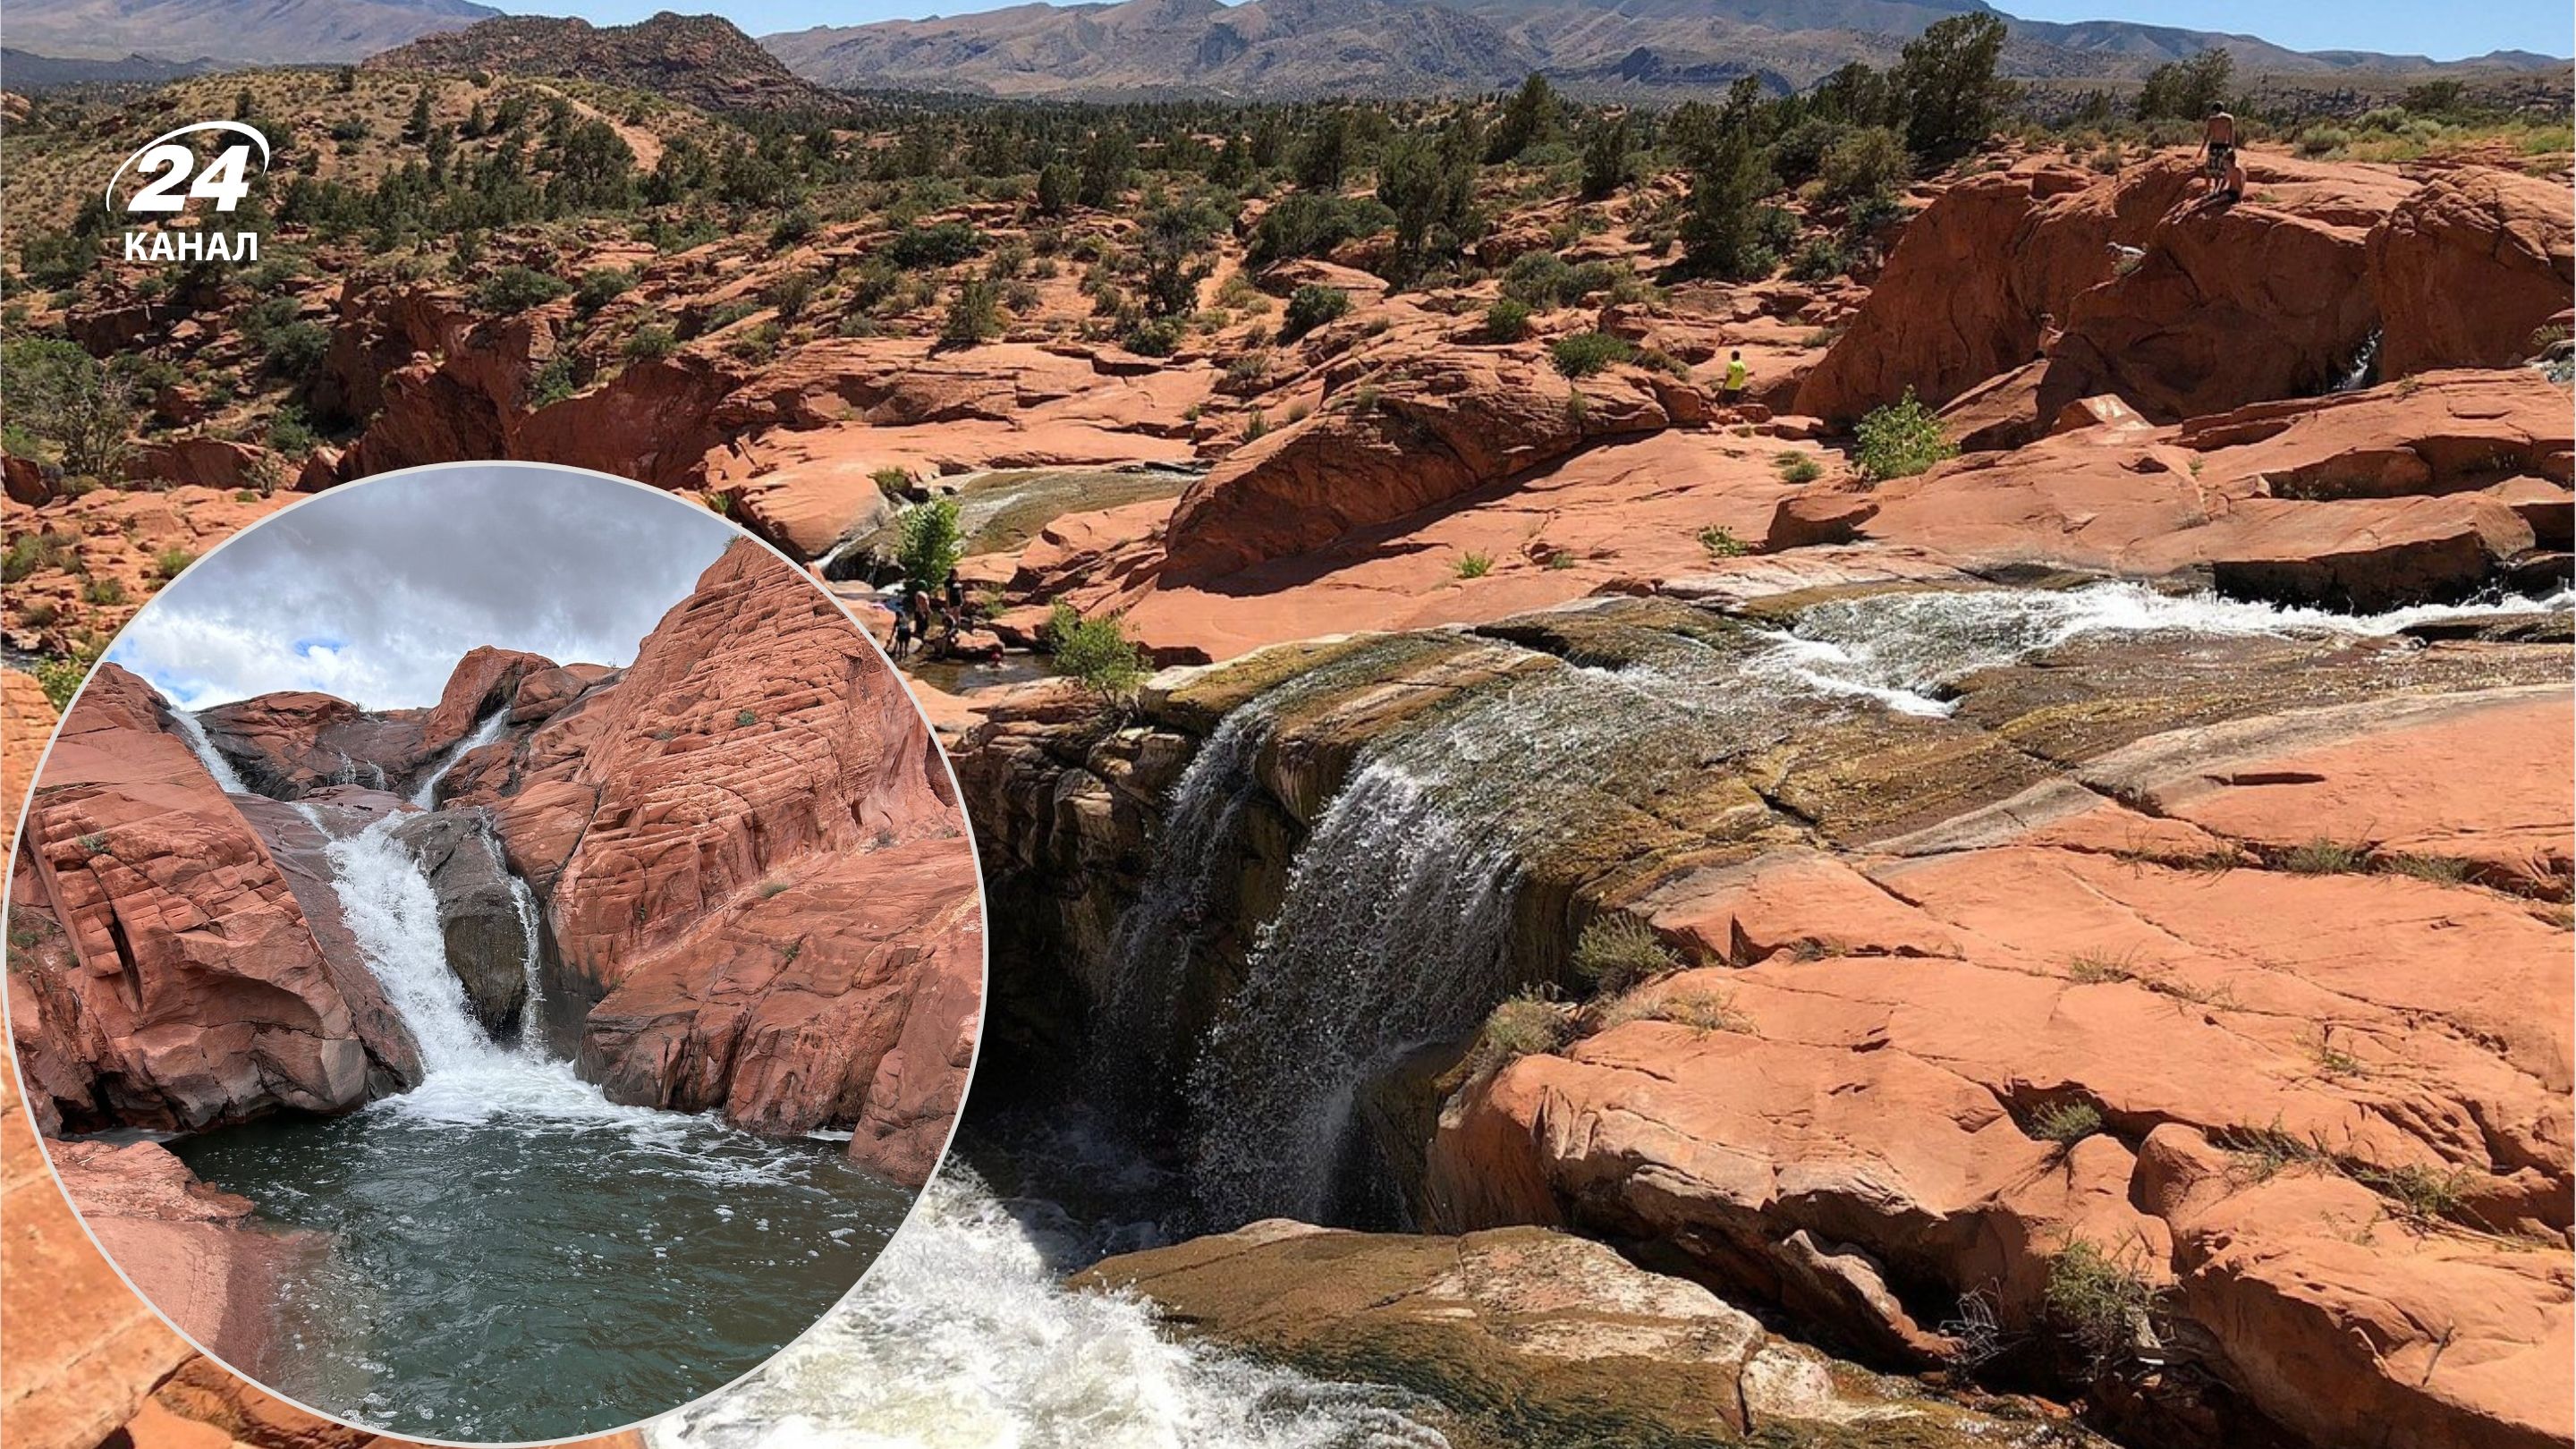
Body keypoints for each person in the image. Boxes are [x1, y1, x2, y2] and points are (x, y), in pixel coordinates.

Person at [2199, 105, 2240, 201]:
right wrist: (2233, 149)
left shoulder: (2212, 119)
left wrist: (2201, 150)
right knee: (2221, 169)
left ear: (2214, 110)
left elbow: (2207, 136)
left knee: (2209, 169)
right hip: (2224, 146)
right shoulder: (2229, 118)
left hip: (2213, 145)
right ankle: (2217, 190)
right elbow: (2231, 135)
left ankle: (2208, 190)